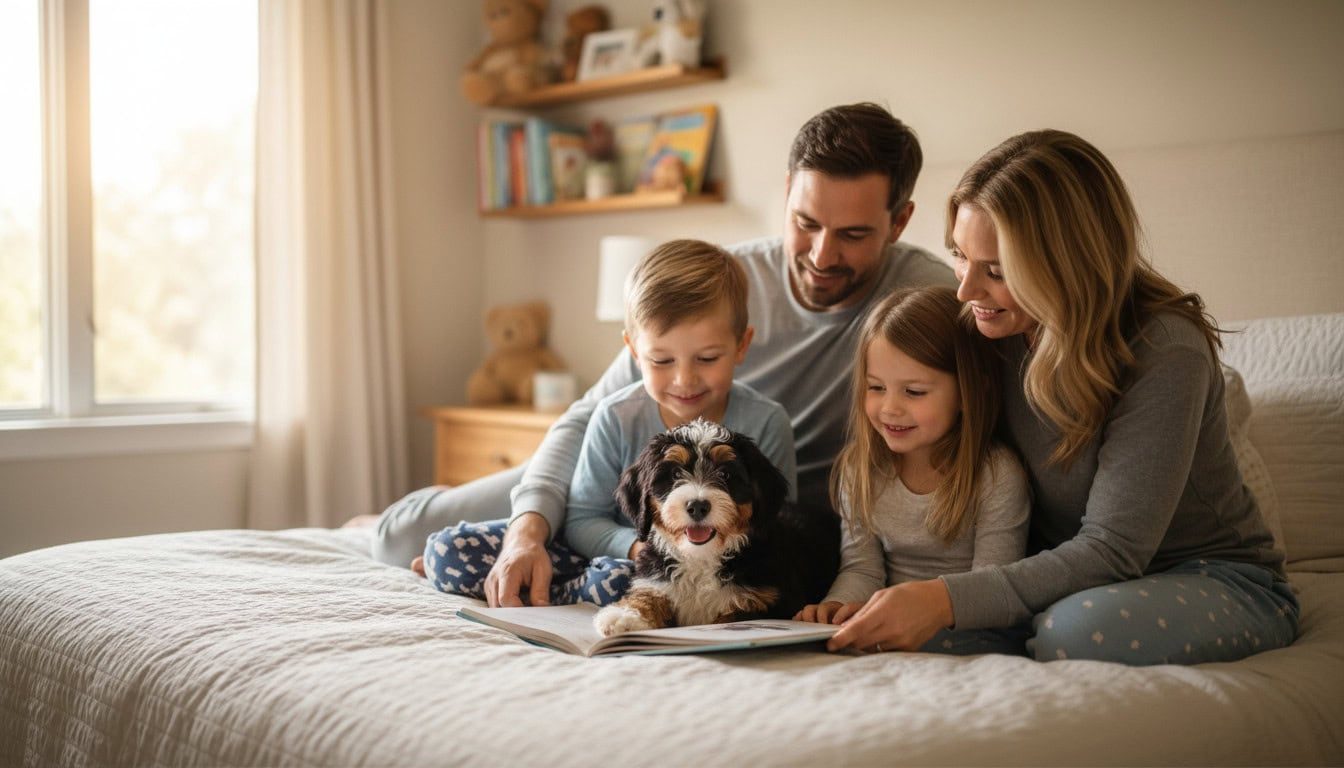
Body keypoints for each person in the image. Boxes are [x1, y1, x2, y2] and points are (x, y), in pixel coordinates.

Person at [371, 102, 956, 607]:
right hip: (629, 472)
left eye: (853, 235)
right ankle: (388, 521)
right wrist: (527, 530)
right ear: (785, 194)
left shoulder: (925, 301)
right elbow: (587, 415)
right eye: (805, 223)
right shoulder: (725, 284)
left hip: (730, 512)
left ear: (899, 220)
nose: (822, 255)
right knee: (400, 540)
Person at [827, 130, 1298, 665]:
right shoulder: (992, 327)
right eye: (959, 255)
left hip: (1211, 578)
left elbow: (1114, 549)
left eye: (997, 271)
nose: (966, 290)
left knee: (1074, 632)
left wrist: (944, 599)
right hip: (1063, 580)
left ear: (1065, 263)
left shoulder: (1165, 351)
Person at [416, 239, 796, 606]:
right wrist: (634, 547)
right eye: (662, 361)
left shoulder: (766, 422)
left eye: (708, 358)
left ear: (742, 346)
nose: (684, 380)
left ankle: (564, 593)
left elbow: (776, 522)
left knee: (614, 583)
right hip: (615, 551)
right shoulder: (615, 416)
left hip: (700, 573)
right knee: (446, 553)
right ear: (632, 351)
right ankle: (544, 583)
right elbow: (581, 520)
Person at [795, 286, 1030, 655]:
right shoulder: (861, 470)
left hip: (974, 634)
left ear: (970, 392)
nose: (889, 409)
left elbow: (993, 588)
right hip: (888, 638)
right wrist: (838, 608)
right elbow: (863, 570)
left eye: (914, 392)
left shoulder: (996, 475)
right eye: (876, 387)